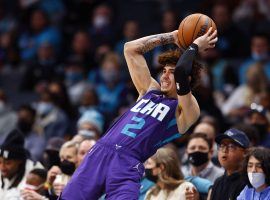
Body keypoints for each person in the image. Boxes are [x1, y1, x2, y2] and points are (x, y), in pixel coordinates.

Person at [60, 27, 217, 199]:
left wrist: (194, 46)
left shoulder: (188, 108)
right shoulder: (150, 90)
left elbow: (181, 73)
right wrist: (172, 37)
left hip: (128, 162)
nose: (164, 76)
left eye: (170, 73)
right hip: (100, 151)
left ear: (186, 79)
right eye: (163, 71)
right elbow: (130, 48)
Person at [0, 129, 43, 199]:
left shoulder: (35, 175)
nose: (2, 167)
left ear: (20, 161)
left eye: (8, 163)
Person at [208, 128, 250, 200]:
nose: (224, 150)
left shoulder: (249, 183)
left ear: (245, 153)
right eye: (222, 146)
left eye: (231, 146)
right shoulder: (218, 182)